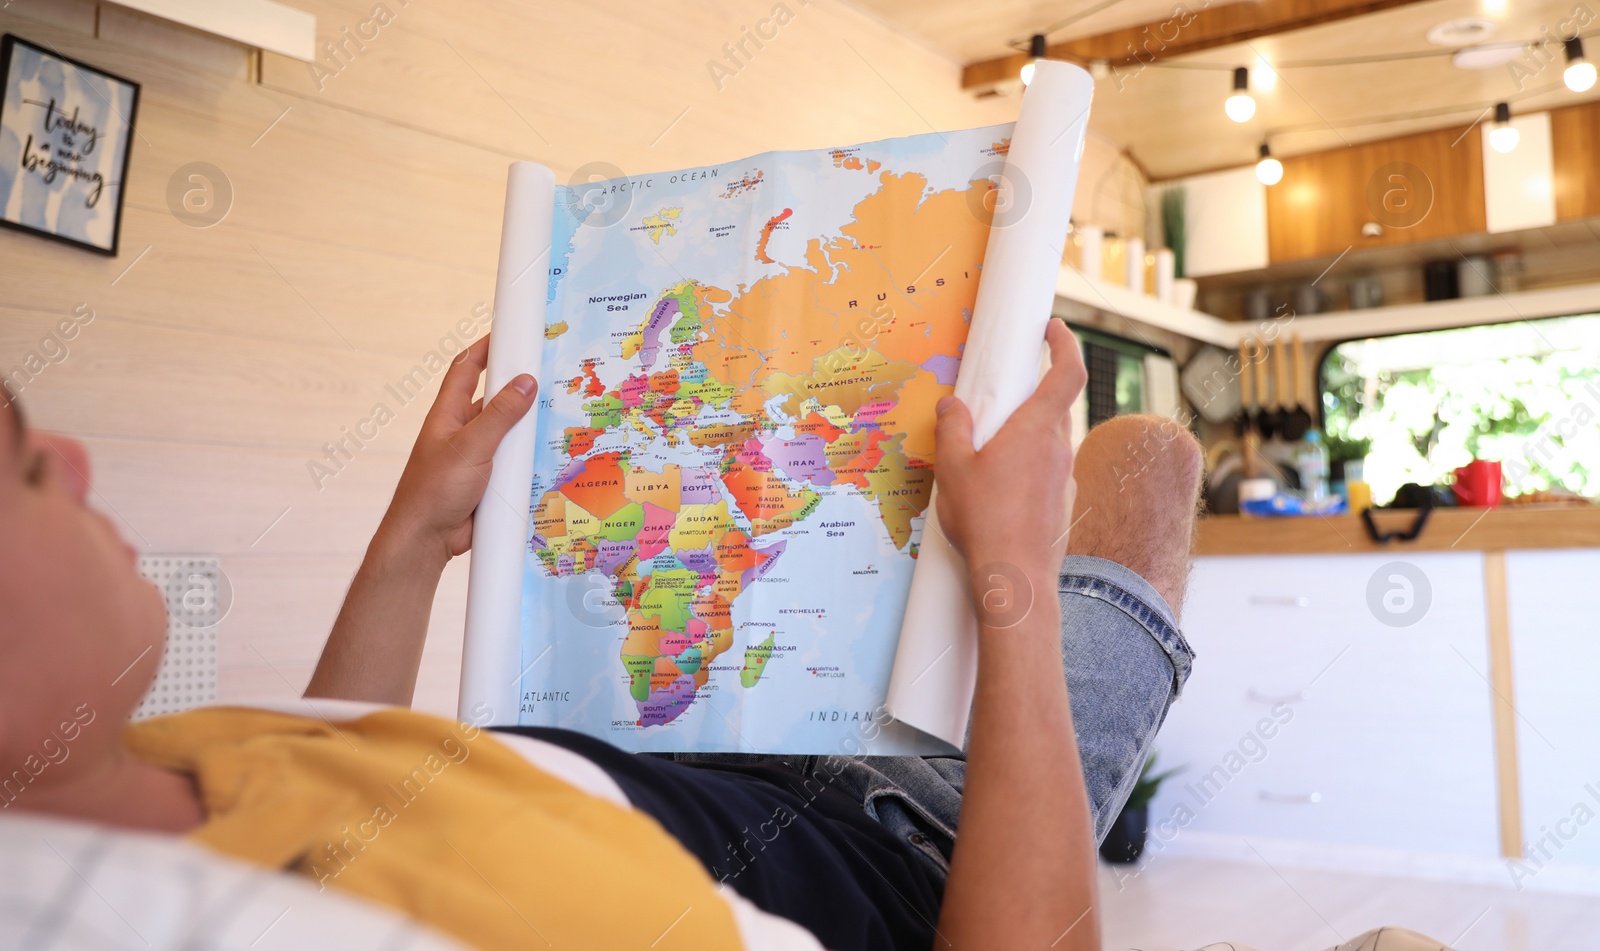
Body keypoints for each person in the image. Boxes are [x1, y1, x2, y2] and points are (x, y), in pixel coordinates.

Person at [0, 320, 1442, 951]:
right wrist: (1007, 573)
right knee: (1145, 462)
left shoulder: (136, 769)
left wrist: (412, 536)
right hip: (923, 854)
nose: (64, 450)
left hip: (705, 746)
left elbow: (340, 765)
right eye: (15, 468)